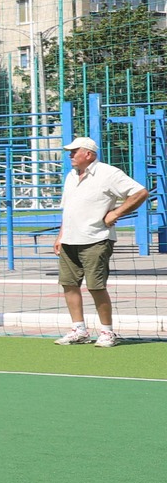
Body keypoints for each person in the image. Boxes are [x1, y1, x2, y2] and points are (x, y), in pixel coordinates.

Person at [52, 136, 151, 347]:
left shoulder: (108, 173)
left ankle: (107, 332)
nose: (70, 155)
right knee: (69, 284)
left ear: (88, 154)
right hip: (70, 240)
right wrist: (61, 235)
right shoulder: (71, 176)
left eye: (74, 151)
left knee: (96, 286)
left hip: (96, 239)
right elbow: (68, 210)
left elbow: (140, 192)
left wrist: (116, 213)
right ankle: (79, 330)